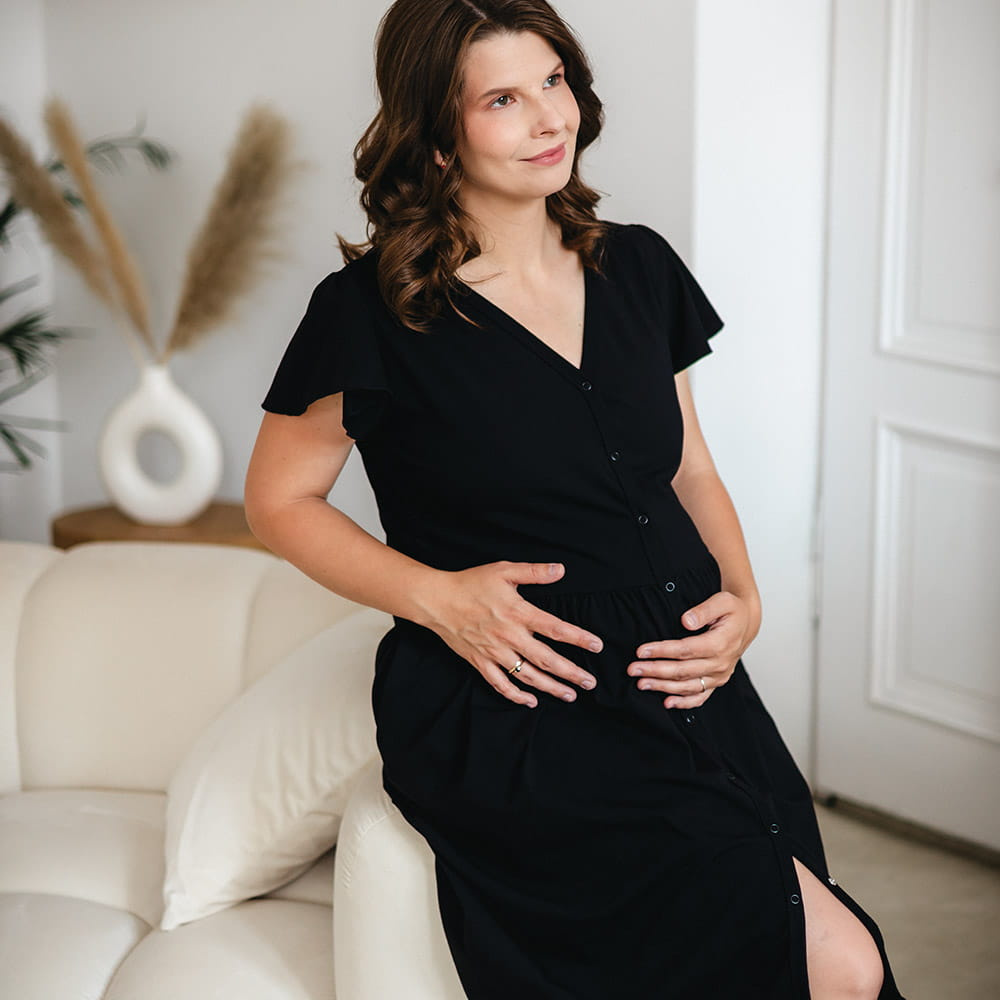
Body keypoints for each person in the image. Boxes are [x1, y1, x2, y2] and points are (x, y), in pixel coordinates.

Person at [244, 1, 908, 997]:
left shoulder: (638, 266)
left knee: (787, 938)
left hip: (685, 676)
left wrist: (744, 598)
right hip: (526, 700)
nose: (549, 117)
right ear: (437, 135)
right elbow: (277, 501)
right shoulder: (371, 313)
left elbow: (687, 467)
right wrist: (438, 598)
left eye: (552, 81)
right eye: (502, 100)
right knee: (838, 963)